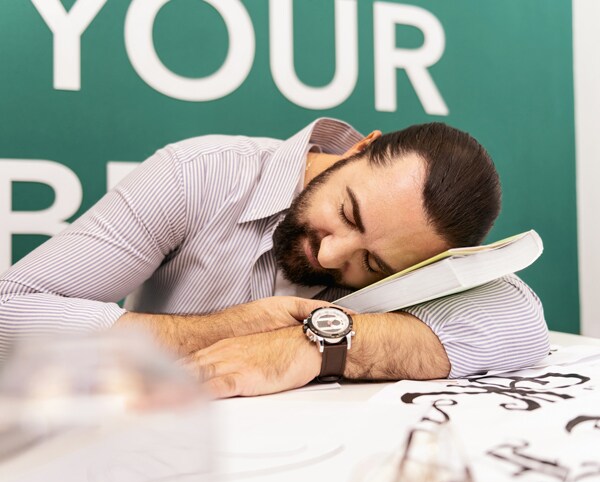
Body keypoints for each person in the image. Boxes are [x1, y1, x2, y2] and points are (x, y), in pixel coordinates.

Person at [0, 118, 549, 398]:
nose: (332, 254)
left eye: (373, 265)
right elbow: (9, 310)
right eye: (348, 213)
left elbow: (521, 322)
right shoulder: (197, 175)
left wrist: (319, 346)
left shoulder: (416, 259)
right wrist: (221, 331)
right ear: (357, 148)